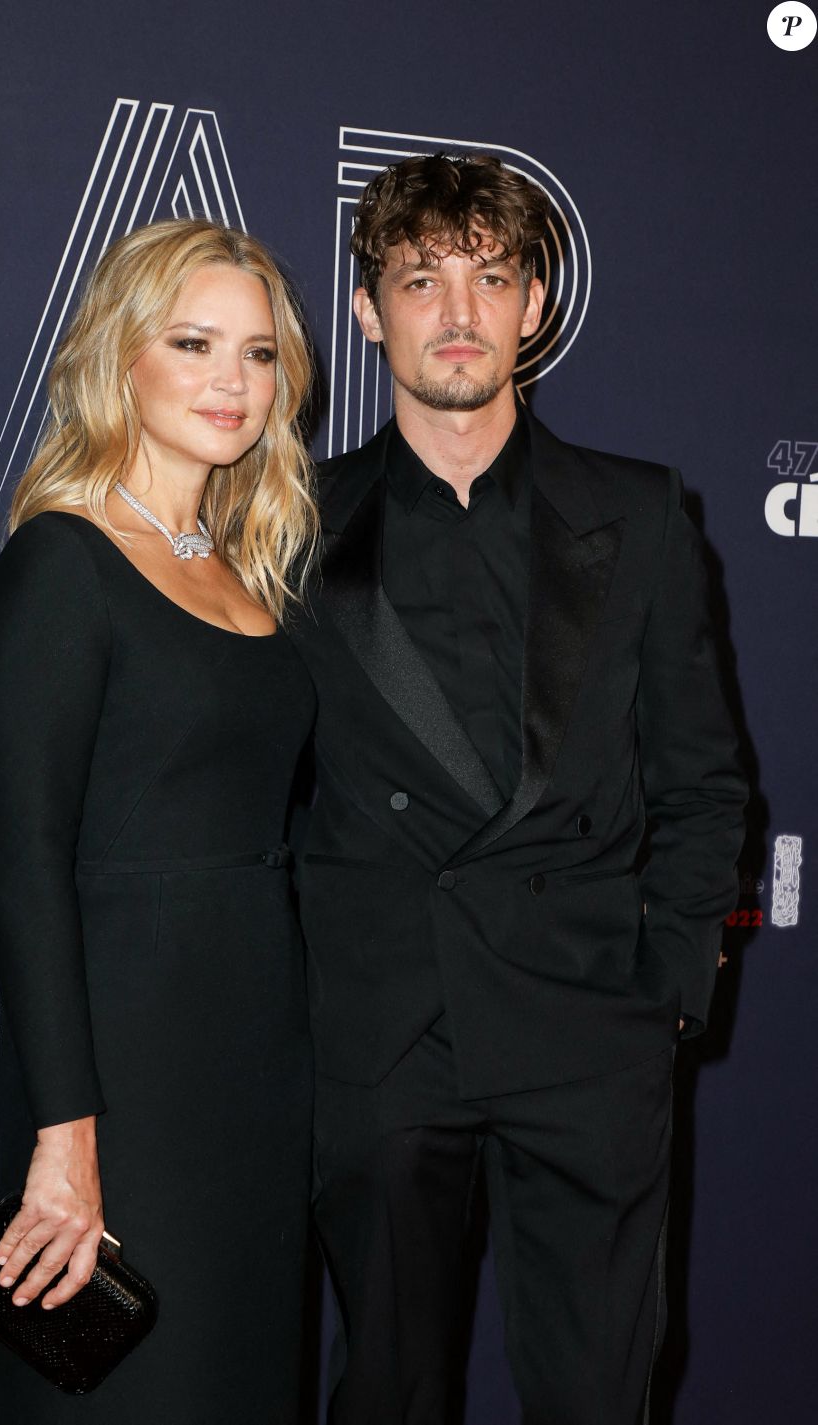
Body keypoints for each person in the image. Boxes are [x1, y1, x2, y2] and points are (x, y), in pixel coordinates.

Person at [290, 153, 747, 1425]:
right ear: (370, 311)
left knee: (600, 1394)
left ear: (533, 303)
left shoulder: (640, 512)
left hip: (586, 1024)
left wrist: (665, 992)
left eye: (490, 277)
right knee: (385, 1392)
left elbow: (704, 780)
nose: (457, 312)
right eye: (420, 279)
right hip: (386, 1034)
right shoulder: (290, 522)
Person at [0, 217, 318, 1424]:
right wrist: (63, 1136)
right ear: (124, 357)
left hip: (261, 1066)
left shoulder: (248, 570)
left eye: (259, 353)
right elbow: (23, 861)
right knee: (127, 1388)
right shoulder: (60, 562)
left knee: (241, 1380)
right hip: (123, 1077)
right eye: (194, 342)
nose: (232, 381)